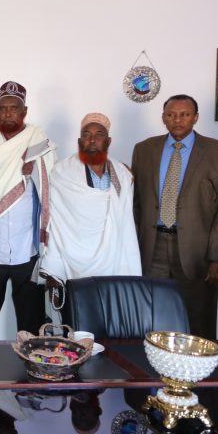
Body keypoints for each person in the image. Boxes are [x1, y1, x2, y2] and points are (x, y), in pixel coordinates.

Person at [131, 94, 218, 340]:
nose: (177, 120)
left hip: (198, 251)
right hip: (152, 247)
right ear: (163, 118)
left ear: (195, 118)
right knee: (151, 317)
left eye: (184, 115)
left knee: (197, 321)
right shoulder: (144, 149)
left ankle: (198, 365)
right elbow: (135, 203)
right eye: (171, 115)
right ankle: (153, 364)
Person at [0, 81, 56, 340]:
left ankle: (30, 365)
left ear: (24, 111)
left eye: (13, 108)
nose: (7, 113)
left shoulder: (38, 142)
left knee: (31, 324)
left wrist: (34, 171)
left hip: (26, 251)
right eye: (2, 108)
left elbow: (51, 190)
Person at [40, 113, 141, 298]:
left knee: (111, 310)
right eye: (86, 135)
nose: (92, 140)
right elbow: (56, 223)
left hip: (114, 259)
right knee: (78, 312)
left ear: (108, 141)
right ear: (79, 141)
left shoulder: (123, 174)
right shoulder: (62, 173)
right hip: (72, 262)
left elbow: (124, 220)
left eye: (99, 135)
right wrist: (54, 263)